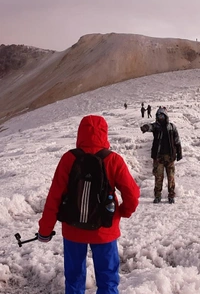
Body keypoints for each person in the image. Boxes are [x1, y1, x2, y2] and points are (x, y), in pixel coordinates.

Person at [38, 115, 140, 294]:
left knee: (74, 278)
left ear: (80, 133)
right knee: (108, 279)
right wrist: (122, 212)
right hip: (104, 229)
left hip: (73, 229)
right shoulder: (113, 160)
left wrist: (45, 230)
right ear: (104, 133)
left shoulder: (68, 159)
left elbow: (54, 197)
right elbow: (132, 194)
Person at [140, 107, 182, 204]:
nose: (160, 117)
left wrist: (179, 152)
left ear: (166, 116)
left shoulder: (172, 127)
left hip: (170, 157)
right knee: (158, 177)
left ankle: (171, 196)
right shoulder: (156, 127)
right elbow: (150, 126)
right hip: (158, 157)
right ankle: (157, 196)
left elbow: (177, 140)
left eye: (162, 115)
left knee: (171, 177)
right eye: (158, 115)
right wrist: (146, 127)